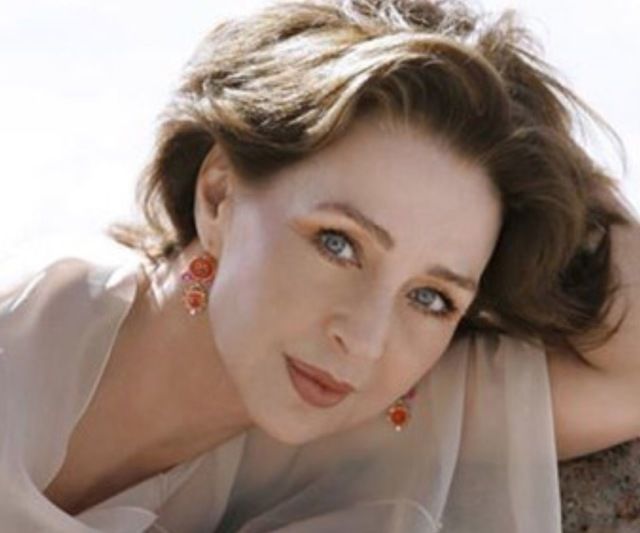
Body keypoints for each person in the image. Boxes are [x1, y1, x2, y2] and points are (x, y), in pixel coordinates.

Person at [1, 0, 638, 531]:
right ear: (218, 195)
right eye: (338, 244)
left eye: (431, 297)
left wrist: (548, 162)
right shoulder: (24, 330)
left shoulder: (354, 409)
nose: (364, 339)